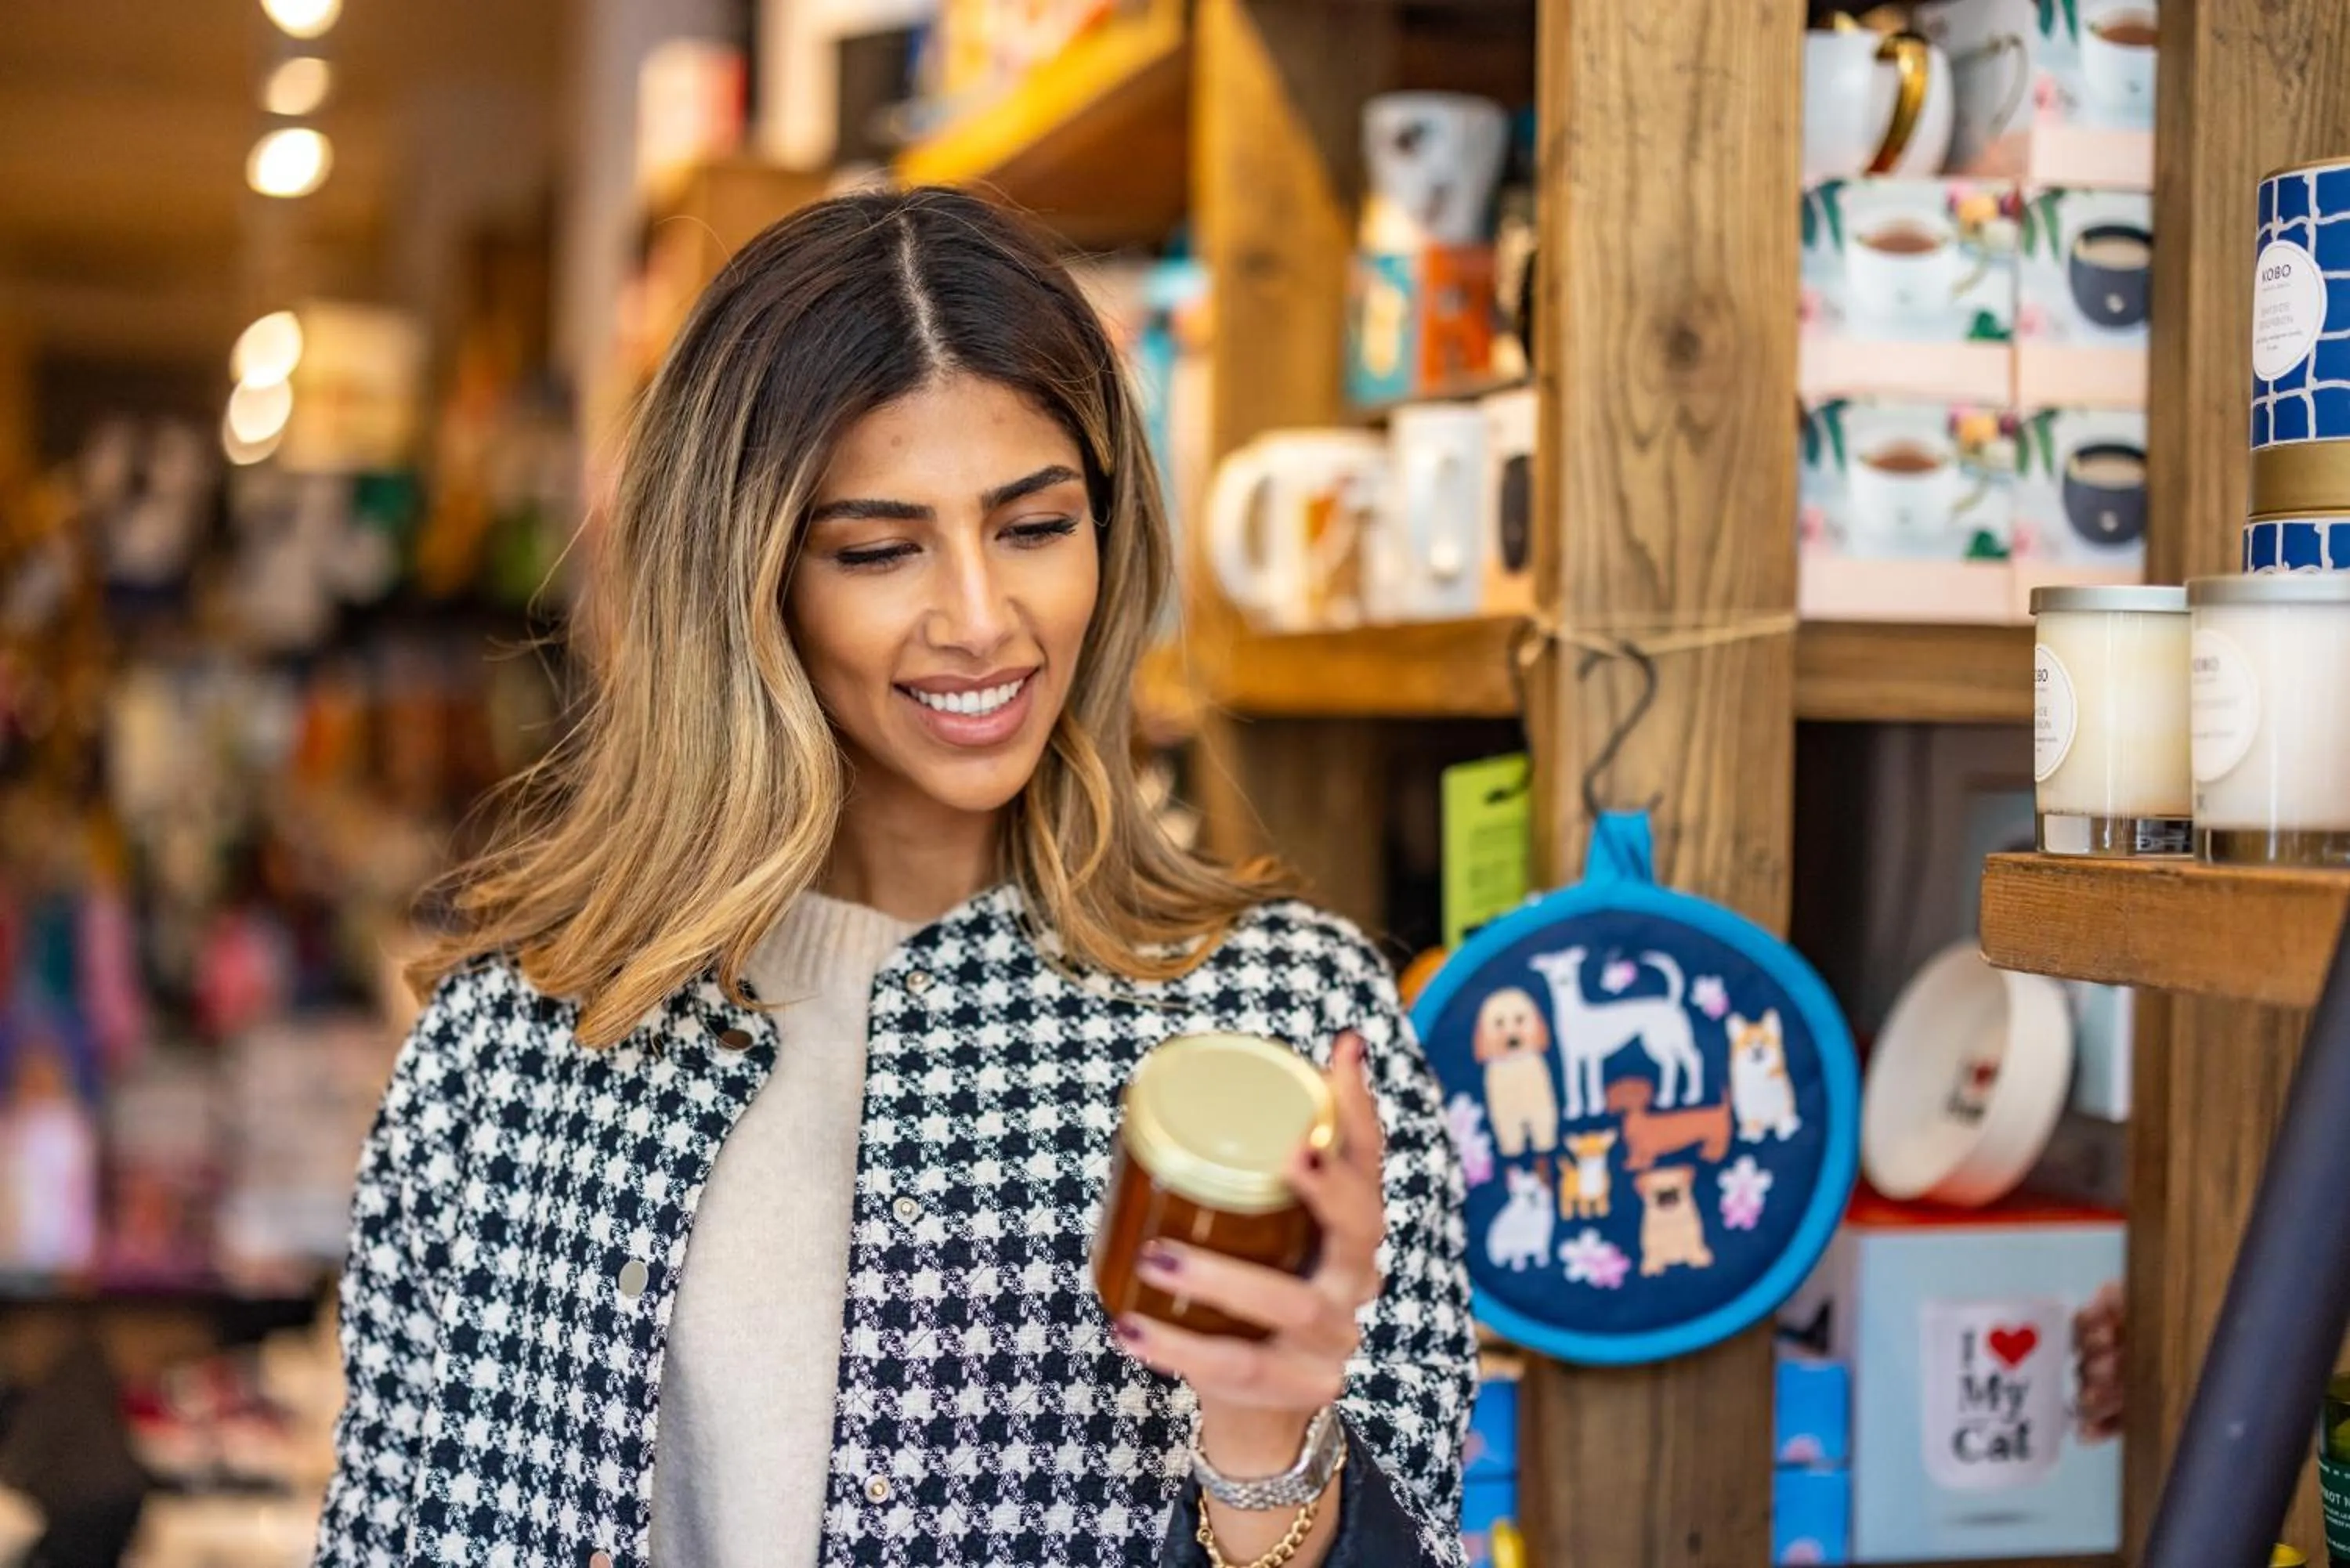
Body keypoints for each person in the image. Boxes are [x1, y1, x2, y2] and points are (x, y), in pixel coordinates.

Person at [313, 186, 1477, 1568]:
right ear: (745, 581)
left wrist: (1271, 1446)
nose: (981, 620)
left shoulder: (1285, 1023)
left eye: (1035, 527)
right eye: (878, 549)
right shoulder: (512, 1049)